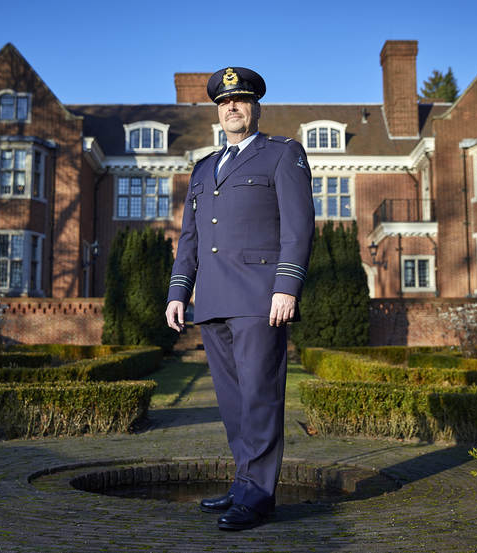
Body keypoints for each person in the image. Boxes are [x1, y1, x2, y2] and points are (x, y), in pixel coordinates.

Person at [165, 67, 315, 531]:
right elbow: (189, 237)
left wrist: (286, 286)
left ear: (255, 107)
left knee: (260, 397)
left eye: (241, 100)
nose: (232, 107)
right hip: (211, 299)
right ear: (218, 110)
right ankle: (244, 482)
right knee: (232, 402)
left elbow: (299, 228)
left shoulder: (281, 154)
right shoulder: (204, 167)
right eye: (225, 102)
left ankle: (258, 496)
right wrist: (178, 292)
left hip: (258, 297)